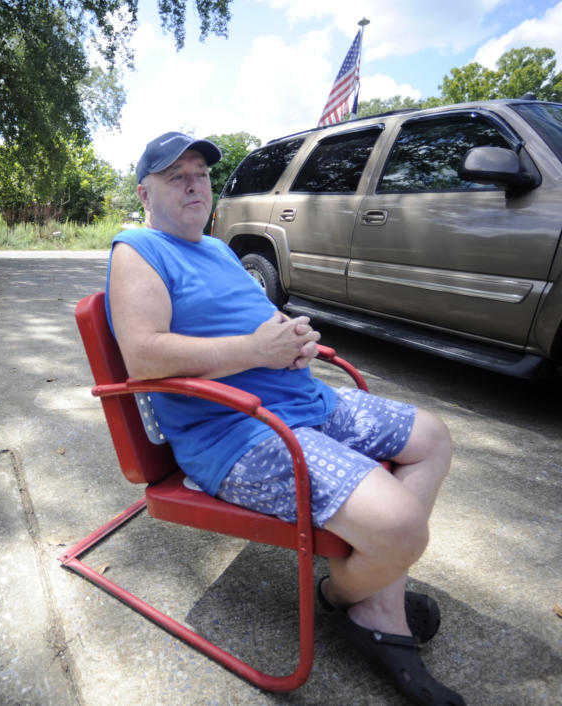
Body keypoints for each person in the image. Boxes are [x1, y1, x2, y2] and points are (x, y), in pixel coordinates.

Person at [105, 131, 463, 706]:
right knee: (399, 526)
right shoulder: (138, 251)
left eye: (201, 174)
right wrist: (255, 350)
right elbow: (144, 357)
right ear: (145, 193)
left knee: (432, 438)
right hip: (239, 433)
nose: (196, 184)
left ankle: (374, 590)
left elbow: (258, 324)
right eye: (178, 177)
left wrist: (294, 340)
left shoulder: (219, 249)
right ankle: (356, 601)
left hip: (303, 402)